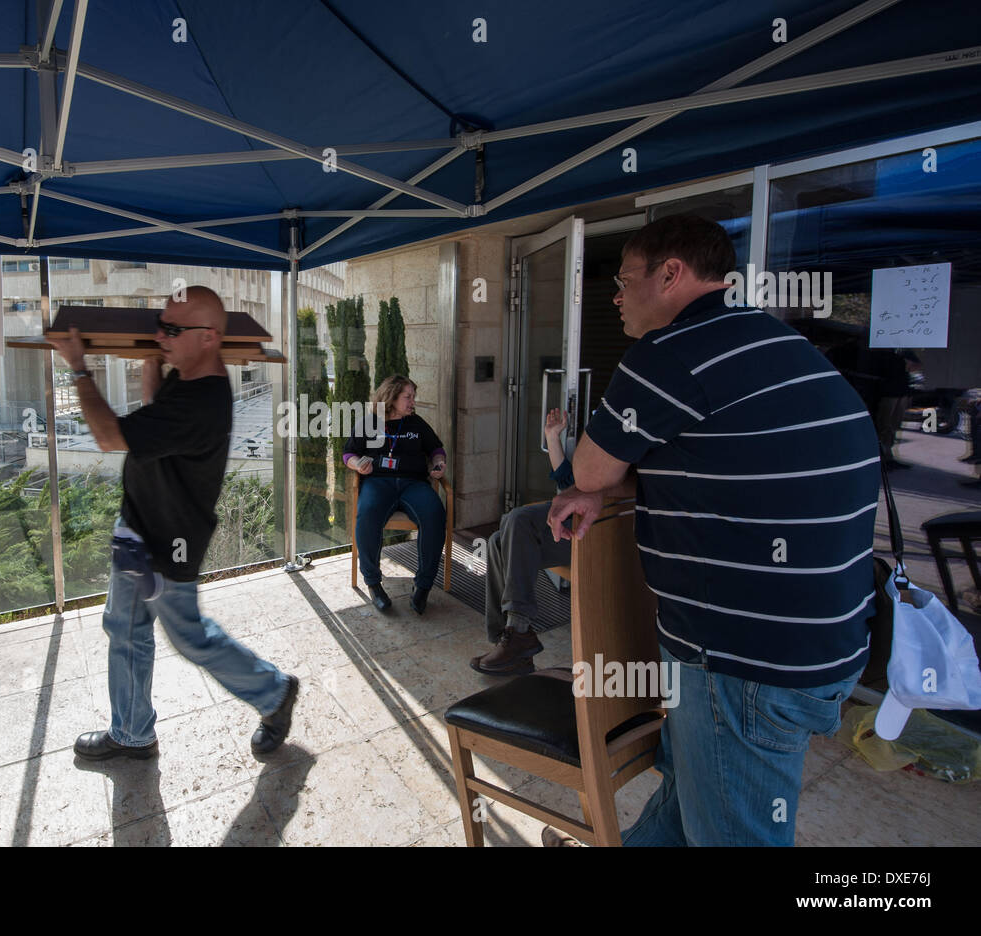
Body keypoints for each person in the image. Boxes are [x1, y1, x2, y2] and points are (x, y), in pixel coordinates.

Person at [547, 214, 878, 846]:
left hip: (743, 659)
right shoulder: (776, 342)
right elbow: (725, 465)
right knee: (689, 794)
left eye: (623, 281)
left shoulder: (671, 352)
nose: (615, 298)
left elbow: (588, 469)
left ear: (671, 274)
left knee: (731, 831)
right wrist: (615, 486)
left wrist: (596, 486)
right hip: (823, 641)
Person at [47, 286, 298, 761]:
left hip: (170, 541)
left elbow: (108, 437)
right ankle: (132, 732)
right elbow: (154, 406)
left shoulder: (203, 402)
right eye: (161, 326)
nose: (163, 335)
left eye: (173, 329)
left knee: (189, 636)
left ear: (209, 337)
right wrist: (151, 354)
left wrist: (79, 368)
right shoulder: (186, 376)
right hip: (137, 527)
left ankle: (275, 692)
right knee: (124, 628)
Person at [469, 406, 574, 675]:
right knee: (497, 542)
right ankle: (507, 644)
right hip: (573, 515)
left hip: (599, 526)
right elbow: (568, 482)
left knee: (519, 519)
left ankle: (518, 630)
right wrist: (552, 437)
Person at [343, 375, 447, 614]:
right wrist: (358, 465)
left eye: (413, 396)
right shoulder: (370, 423)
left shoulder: (416, 423)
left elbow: (436, 448)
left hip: (413, 483)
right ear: (391, 397)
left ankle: (423, 585)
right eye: (407, 397)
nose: (413, 402)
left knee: (435, 514)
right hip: (378, 482)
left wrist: (439, 463)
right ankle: (373, 584)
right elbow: (348, 453)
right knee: (367, 515)